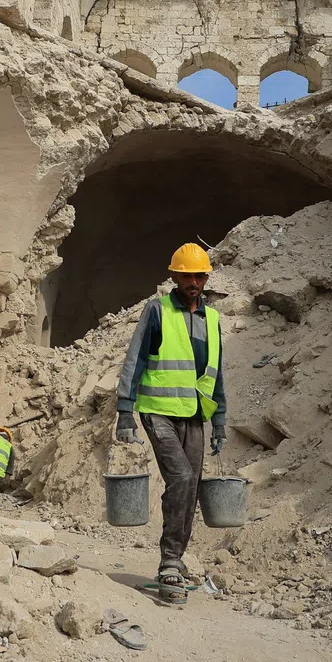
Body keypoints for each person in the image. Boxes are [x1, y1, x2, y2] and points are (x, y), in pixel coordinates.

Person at [115, 243, 226, 604]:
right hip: (157, 410)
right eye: (185, 275)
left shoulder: (212, 320)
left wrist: (220, 420)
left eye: (198, 275)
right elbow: (135, 360)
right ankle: (170, 564)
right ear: (174, 277)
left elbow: (216, 373)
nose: (192, 281)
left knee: (191, 485)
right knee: (179, 476)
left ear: (207, 277)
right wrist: (125, 412)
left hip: (194, 414)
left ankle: (175, 561)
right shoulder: (157, 311)